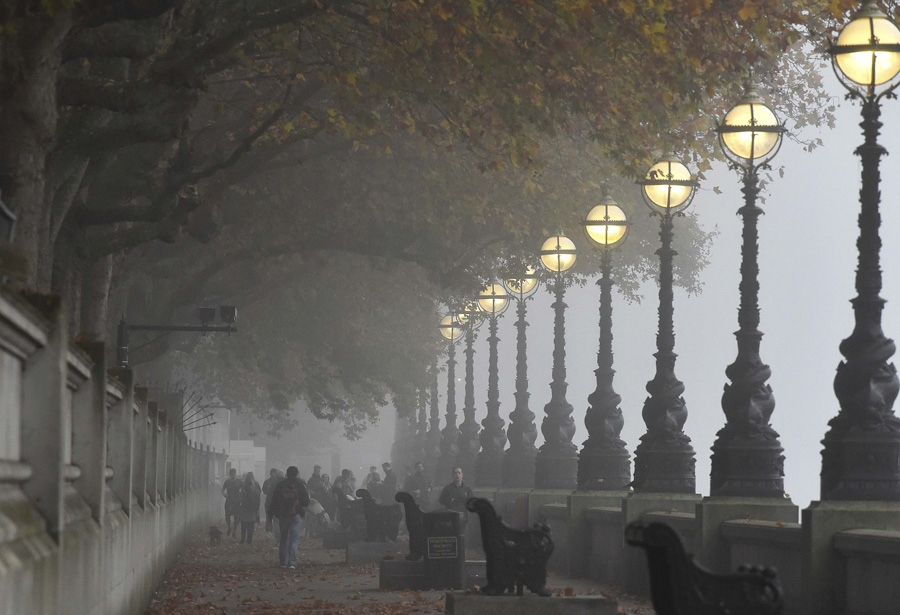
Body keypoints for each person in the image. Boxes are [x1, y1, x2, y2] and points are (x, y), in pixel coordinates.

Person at [267, 466, 310, 570]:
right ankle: (292, 562)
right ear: (297, 473)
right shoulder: (300, 484)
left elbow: (274, 501)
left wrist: (270, 514)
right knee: (294, 540)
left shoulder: (280, 485)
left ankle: (282, 562)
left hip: (282, 515)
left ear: (286, 473)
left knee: (284, 539)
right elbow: (306, 502)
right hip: (296, 514)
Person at [239, 472, 261, 544]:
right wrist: (257, 508)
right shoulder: (256, 487)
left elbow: (241, 498)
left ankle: (243, 539)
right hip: (252, 509)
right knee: (251, 525)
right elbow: (258, 496)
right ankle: (249, 540)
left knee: (244, 524)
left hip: (244, 508)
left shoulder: (243, 487)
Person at [222, 467, 242, 536]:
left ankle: (234, 530)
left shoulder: (239, 481)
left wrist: (240, 496)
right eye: (231, 473)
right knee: (227, 516)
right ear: (230, 474)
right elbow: (223, 489)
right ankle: (229, 526)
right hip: (229, 501)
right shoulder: (227, 481)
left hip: (236, 501)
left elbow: (243, 490)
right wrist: (224, 493)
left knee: (236, 516)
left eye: (234, 473)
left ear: (235, 474)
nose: (233, 475)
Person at [262, 468, 282, 534]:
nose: (273, 474)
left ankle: (276, 532)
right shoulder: (267, 481)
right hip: (270, 501)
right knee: (269, 517)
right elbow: (264, 490)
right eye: (272, 472)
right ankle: (269, 531)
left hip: (275, 502)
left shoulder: (277, 481)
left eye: (275, 473)